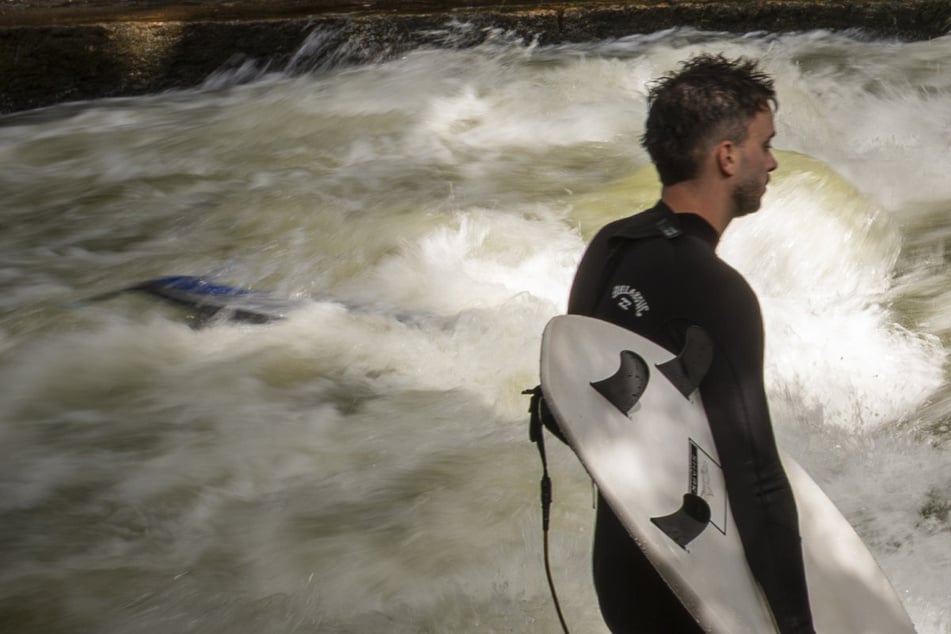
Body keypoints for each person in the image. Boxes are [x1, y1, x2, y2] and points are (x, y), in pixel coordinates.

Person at [566, 54, 815, 633]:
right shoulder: (718, 291)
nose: (772, 161)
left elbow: (576, 405)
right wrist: (797, 625)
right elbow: (756, 479)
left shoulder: (612, 246)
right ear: (727, 156)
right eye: (765, 143)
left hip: (621, 568)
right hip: (694, 586)